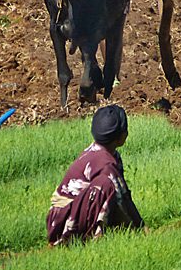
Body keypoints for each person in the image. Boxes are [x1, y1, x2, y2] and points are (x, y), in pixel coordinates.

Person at [46, 104, 145, 245]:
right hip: (62, 222)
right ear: (122, 136)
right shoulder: (106, 164)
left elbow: (125, 196)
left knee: (112, 189)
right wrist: (136, 231)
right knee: (107, 186)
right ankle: (85, 240)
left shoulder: (110, 155)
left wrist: (141, 225)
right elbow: (120, 203)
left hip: (71, 213)